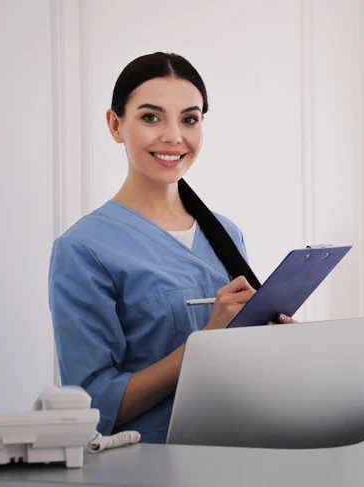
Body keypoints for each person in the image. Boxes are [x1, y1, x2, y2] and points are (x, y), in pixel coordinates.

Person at [48, 52, 294, 444]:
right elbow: (90, 407)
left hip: (242, 453)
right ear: (115, 124)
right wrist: (203, 345)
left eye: (189, 119)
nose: (173, 136)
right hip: (147, 467)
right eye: (151, 117)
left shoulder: (226, 233)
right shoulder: (84, 248)